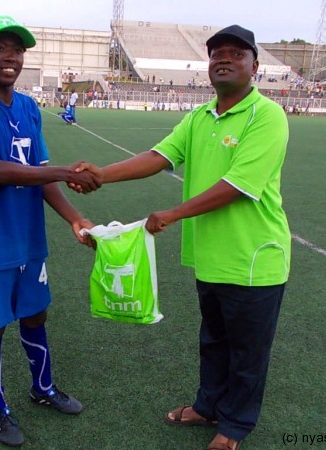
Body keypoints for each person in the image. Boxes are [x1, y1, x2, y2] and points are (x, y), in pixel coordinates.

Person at [75, 25, 290, 450]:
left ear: (255, 67)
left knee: (247, 354)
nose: (223, 60)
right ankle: (208, 406)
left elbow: (238, 185)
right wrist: (103, 174)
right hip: (210, 257)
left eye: (236, 54)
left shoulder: (266, 116)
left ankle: (234, 427)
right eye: (216, 55)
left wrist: (173, 213)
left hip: (255, 259)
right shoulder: (199, 117)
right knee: (213, 341)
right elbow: (159, 157)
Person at [0, 15, 101, 447]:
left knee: (36, 314)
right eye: (0, 47)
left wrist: (75, 217)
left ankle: (43, 388)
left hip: (28, 241)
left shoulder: (30, 108)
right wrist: (64, 170)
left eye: (17, 49)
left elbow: (41, 176)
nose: (10, 56)